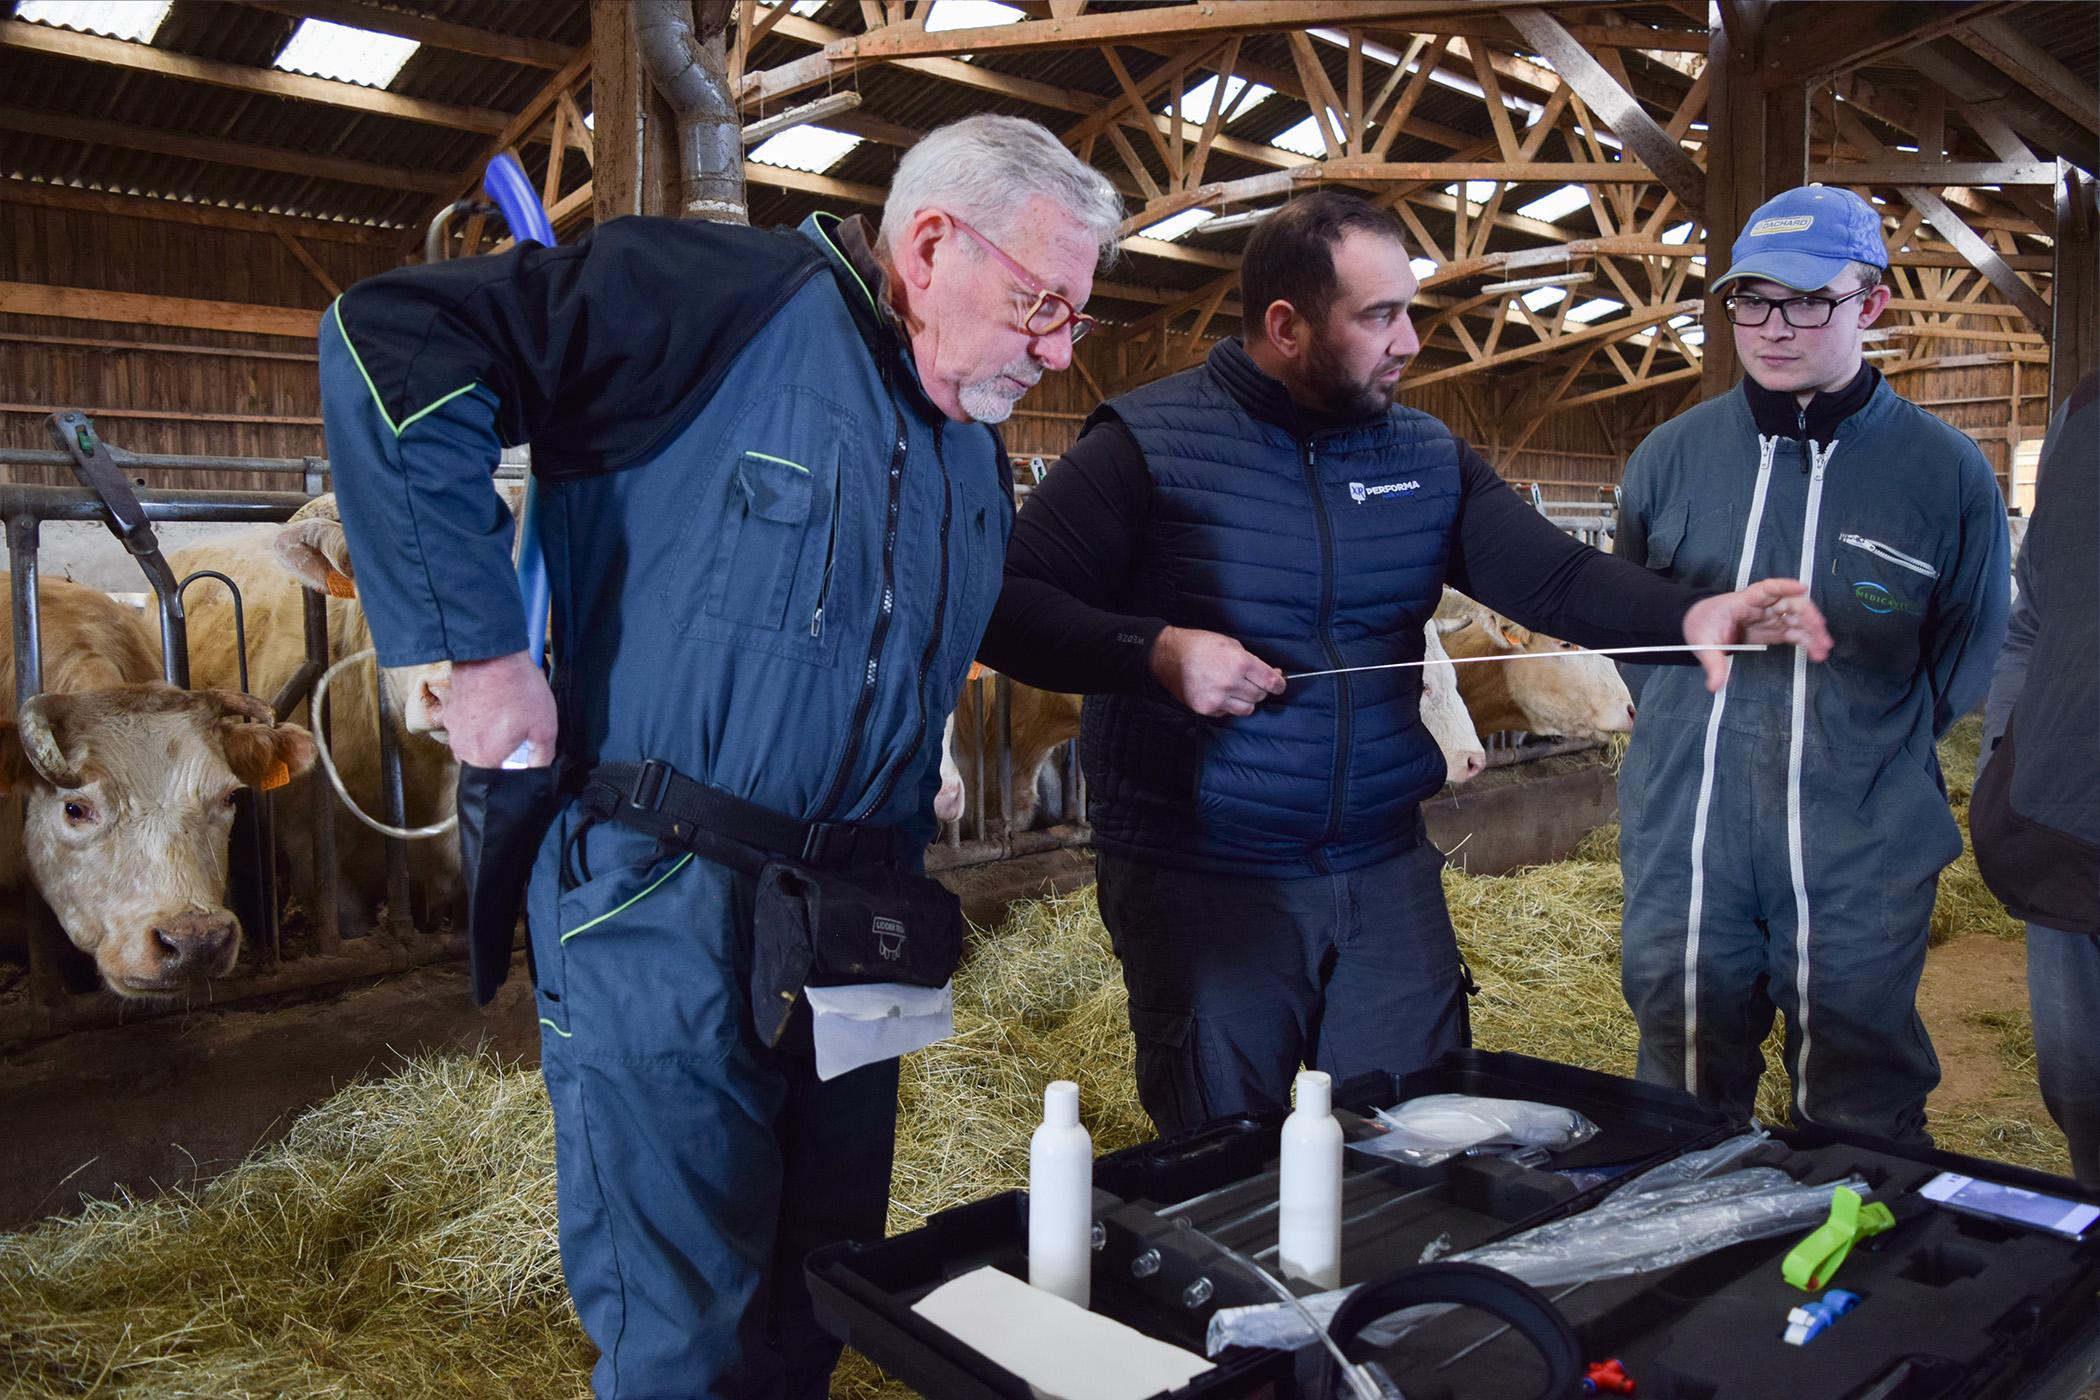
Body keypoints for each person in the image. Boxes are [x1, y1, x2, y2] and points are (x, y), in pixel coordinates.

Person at [318, 115, 1122, 1399]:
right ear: (930, 242)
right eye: (1041, 305)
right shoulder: (712, 299)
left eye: (1078, 317)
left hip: (860, 926)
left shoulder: (973, 444)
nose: (1059, 348)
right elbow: (392, 340)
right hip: (665, 898)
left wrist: (1154, 652)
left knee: (824, 1287)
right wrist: (476, 647)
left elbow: (971, 621)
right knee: (683, 1327)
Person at [978, 190, 1831, 1138]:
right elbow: (1003, 609)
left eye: (1409, 310)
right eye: (1379, 315)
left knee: (1422, 1139)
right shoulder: (1144, 448)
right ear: (1287, 325)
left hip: (1382, 868)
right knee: (1231, 1159)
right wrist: (1157, 653)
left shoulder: (1424, 456)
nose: (1412, 340)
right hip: (1204, 878)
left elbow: (1552, 575)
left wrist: (1693, 613)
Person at [1613, 185, 2010, 1145]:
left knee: (1858, 1092)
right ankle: (1692, 1277)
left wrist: (1855, 745)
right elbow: (1631, 632)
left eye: (1806, 301)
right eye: (1750, 299)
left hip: (1860, 840)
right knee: (1680, 1078)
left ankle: (1849, 1277)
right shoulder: (1671, 457)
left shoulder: (1944, 473)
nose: (1772, 327)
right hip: (1687, 830)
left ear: (1870, 302)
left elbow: (1963, 656)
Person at [1975, 370, 2098, 1186]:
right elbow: (2032, 616)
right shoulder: (2084, 415)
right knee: (2078, 1081)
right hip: (2064, 824)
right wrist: (2002, 758)